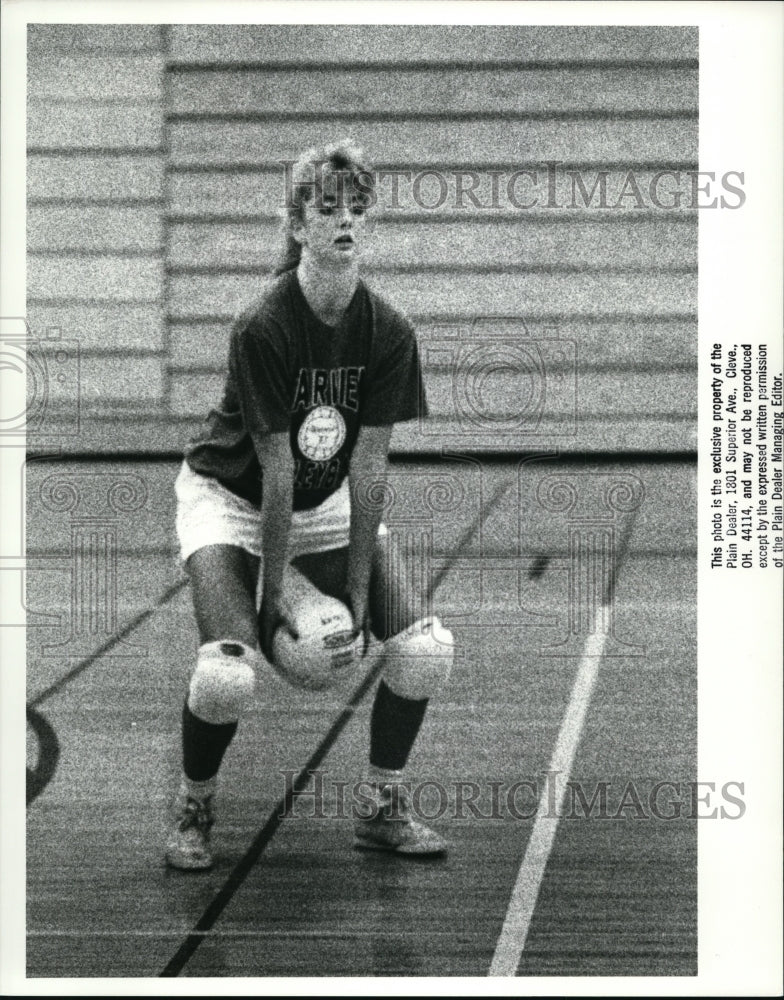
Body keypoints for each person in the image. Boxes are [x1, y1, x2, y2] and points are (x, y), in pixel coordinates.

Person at [166, 140, 454, 870]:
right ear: (298, 225)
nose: (346, 220)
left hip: (322, 503)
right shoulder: (263, 324)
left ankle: (382, 806)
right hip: (231, 502)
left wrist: (356, 593)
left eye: (358, 208)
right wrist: (270, 597)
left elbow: (369, 464)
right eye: (328, 209)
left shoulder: (389, 331)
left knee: (424, 650)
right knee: (226, 673)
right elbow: (274, 468)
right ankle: (195, 802)